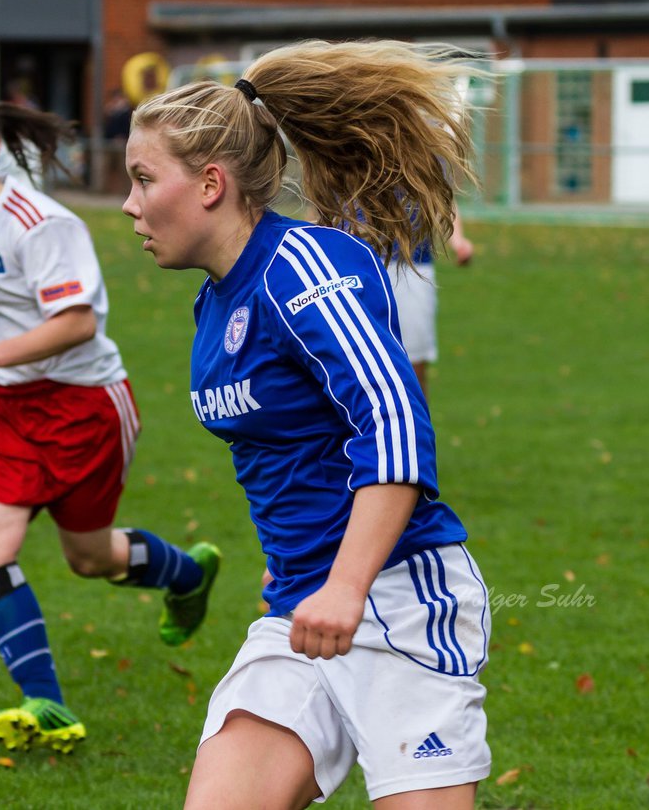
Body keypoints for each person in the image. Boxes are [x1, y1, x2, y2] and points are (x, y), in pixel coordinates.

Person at [122, 40, 492, 809]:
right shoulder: (218, 298)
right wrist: (295, 561)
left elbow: (393, 421)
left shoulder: (301, 268)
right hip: (301, 606)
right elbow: (287, 448)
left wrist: (347, 582)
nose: (129, 204)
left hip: (395, 601)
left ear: (211, 184)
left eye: (142, 179)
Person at [0, 85, 221, 755]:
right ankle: (44, 702)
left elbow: (77, 323)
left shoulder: (40, 222)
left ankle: (186, 576)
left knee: (89, 557)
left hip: (82, 403)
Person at [384, 210, 474, 395]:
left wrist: (458, 241)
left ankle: (417, 423)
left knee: (414, 366)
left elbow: (444, 199)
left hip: (414, 267)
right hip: (360, 261)